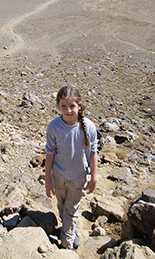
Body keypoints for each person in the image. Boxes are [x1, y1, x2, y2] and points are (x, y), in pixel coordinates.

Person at [44, 85, 99, 250]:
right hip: (58, 176)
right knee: (61, 206)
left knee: (71, 211)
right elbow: (50, 154)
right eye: (64, 106)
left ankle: (68, 247)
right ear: (58, 106)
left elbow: (93, 153)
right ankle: (70, 230)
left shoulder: (88, 127)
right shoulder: (54, 126)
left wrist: (94, 177)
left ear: (79, 106)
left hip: (78, 178)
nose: (68, 110)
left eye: (72, 106)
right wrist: (48, 180)